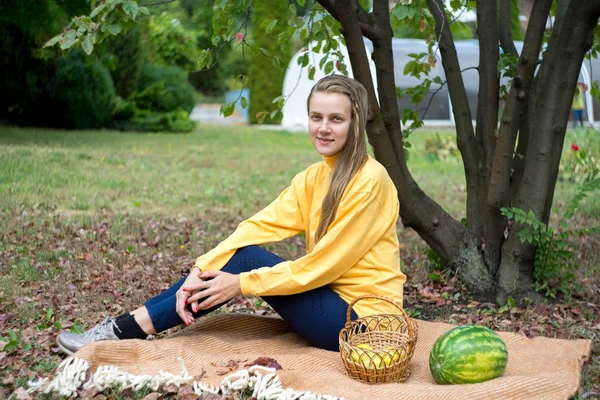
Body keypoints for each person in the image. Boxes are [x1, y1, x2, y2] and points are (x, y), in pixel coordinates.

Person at [57, 75, 407, 354]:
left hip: (365, 324)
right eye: (317, 117)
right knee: (242, 254)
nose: (323, 128)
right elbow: (258, 225)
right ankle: (126, 326)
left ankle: (123, 330)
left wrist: (241, 285)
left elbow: (323, 266)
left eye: (336, 119)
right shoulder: (315, 177)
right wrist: (201, 267)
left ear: (355, 122)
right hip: (335, 307)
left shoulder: (370, 180)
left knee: (245, 262)